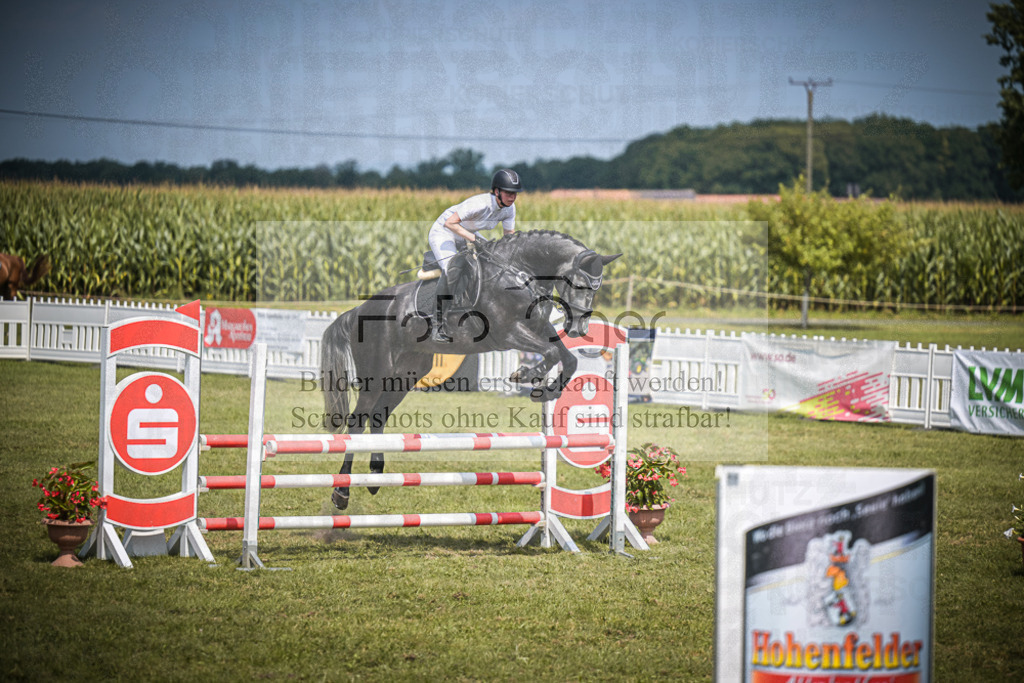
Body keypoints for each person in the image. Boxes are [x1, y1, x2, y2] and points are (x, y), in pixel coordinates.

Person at [428, 169, 523, 342]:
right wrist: (473, 239)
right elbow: (450, 223)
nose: (512, 197)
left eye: (514, 193)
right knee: (452, 270)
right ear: (496, 192)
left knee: (493, 260)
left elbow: (509, 237)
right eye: (508, 193)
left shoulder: (509, 209)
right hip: (444, 232)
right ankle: (436, 324)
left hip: (467, 233)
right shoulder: (479, 203)